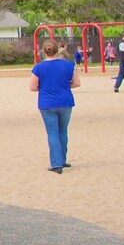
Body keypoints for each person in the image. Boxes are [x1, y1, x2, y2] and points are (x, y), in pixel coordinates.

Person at [30, 39, 81, 173]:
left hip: (47, 103)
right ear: (57, 50)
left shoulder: (39, 68)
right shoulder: (68, 65)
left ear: (43, 51)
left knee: (52, 133)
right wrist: (64, 85)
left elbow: (32, 87)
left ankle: (56, 163)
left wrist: (45, 87)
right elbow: (76, 83)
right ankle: (62, 160)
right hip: (65, 101)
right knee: (63, 131)